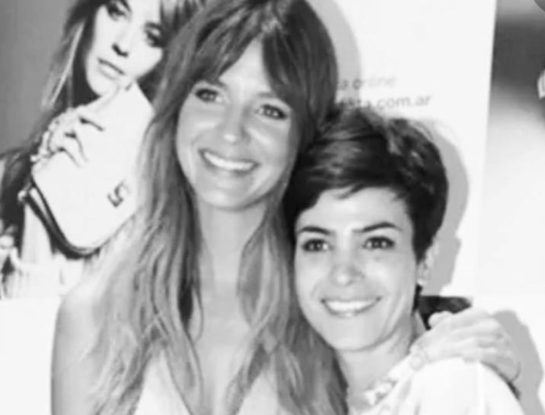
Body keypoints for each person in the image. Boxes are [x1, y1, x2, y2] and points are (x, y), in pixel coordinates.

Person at [53, 1, 521, 414]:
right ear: (175, 108)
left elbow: (427, 384)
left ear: (304, 131)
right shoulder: (95, 314)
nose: (231, 131)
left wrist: (473, 364)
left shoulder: (331, 303)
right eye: (210, 95)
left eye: (270, 109)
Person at [286, 106, 524, 414]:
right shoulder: (299, 392)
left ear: (425, 260)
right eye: (317, 244)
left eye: (376, 243)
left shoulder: (451, 386)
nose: (343, 273)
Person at [0, 0, 204, 298]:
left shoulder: (158, 210)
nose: (123, 44)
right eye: (117, 12)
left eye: (153, 37)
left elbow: (33, 326)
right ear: (90, 13)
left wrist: (41, 200)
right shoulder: (11, 172)